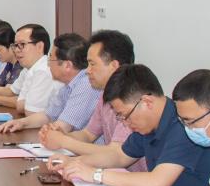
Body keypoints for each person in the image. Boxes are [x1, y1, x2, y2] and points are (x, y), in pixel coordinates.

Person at [54, 64, 210, 186]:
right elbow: (119, 156)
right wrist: (75, 163)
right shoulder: (148, 126)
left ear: (147, 102)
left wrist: (96, 174)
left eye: (125, 115)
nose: (125, 123)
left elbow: (156, 184)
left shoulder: (183, 125)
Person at [37, 30, 145, 170]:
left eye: (92, 64)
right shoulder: (105, 94)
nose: (87, 71)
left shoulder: (131, 99)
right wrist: (59, 135)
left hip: (132, 178)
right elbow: (88, 134)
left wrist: (63, 141)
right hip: (113, 173)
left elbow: (115, 153)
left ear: (114, 66)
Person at [0, 33, 99, 133]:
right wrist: (21, 123)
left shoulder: (86, 85)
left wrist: (45, 132)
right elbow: (48, 115)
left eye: (51, 59)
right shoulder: (67, 86)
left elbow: (63, 127)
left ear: (67, 65)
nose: (48, 65)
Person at [0, 24, 53, 115]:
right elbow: (12, 91)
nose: (16, 50)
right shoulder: (28, 68)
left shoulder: (43, 70)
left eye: (22, 44)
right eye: (15, 45)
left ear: (39, 46)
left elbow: (24, 107)